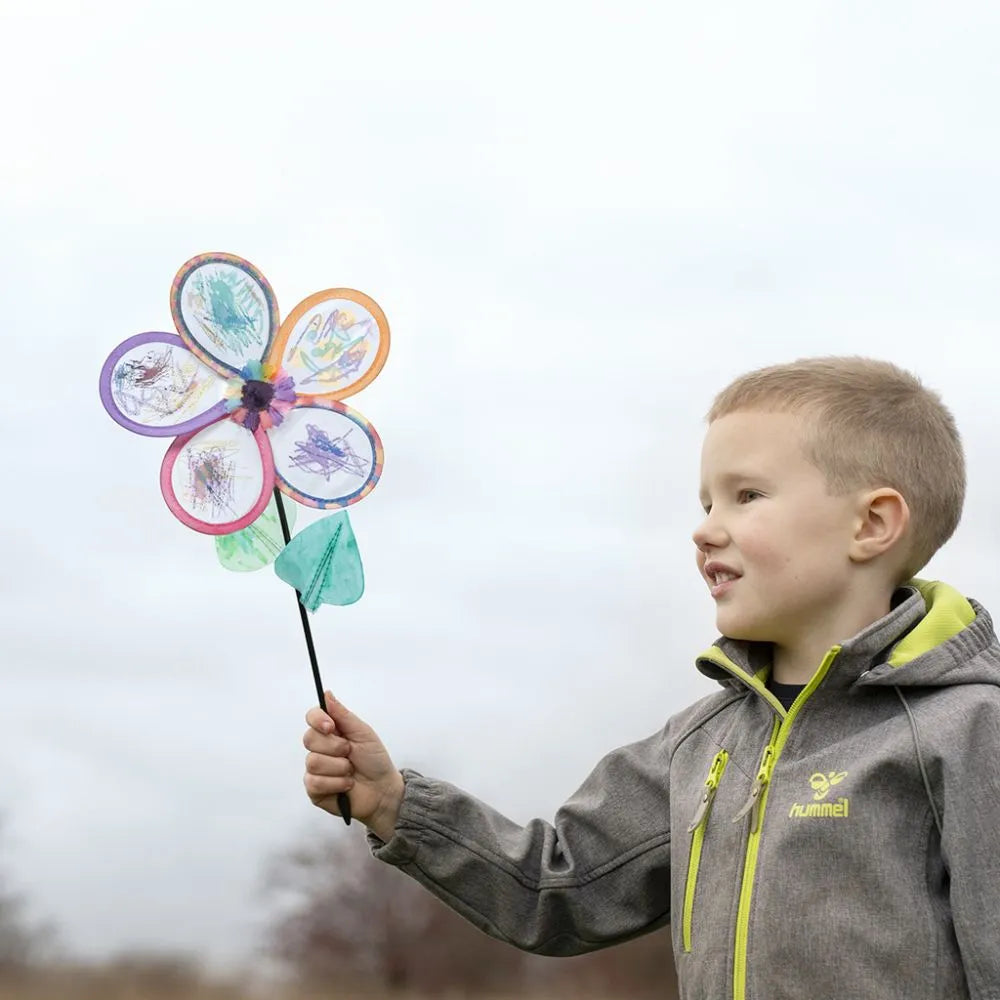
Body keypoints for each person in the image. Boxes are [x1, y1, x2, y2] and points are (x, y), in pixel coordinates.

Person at [302, 356, 1000, 1000]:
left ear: (872, 524)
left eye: (747, 494)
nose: (706, 530)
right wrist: (394, 805)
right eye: (706, 504)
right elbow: (558, 886)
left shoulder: (968, 728)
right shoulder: (696, 745)